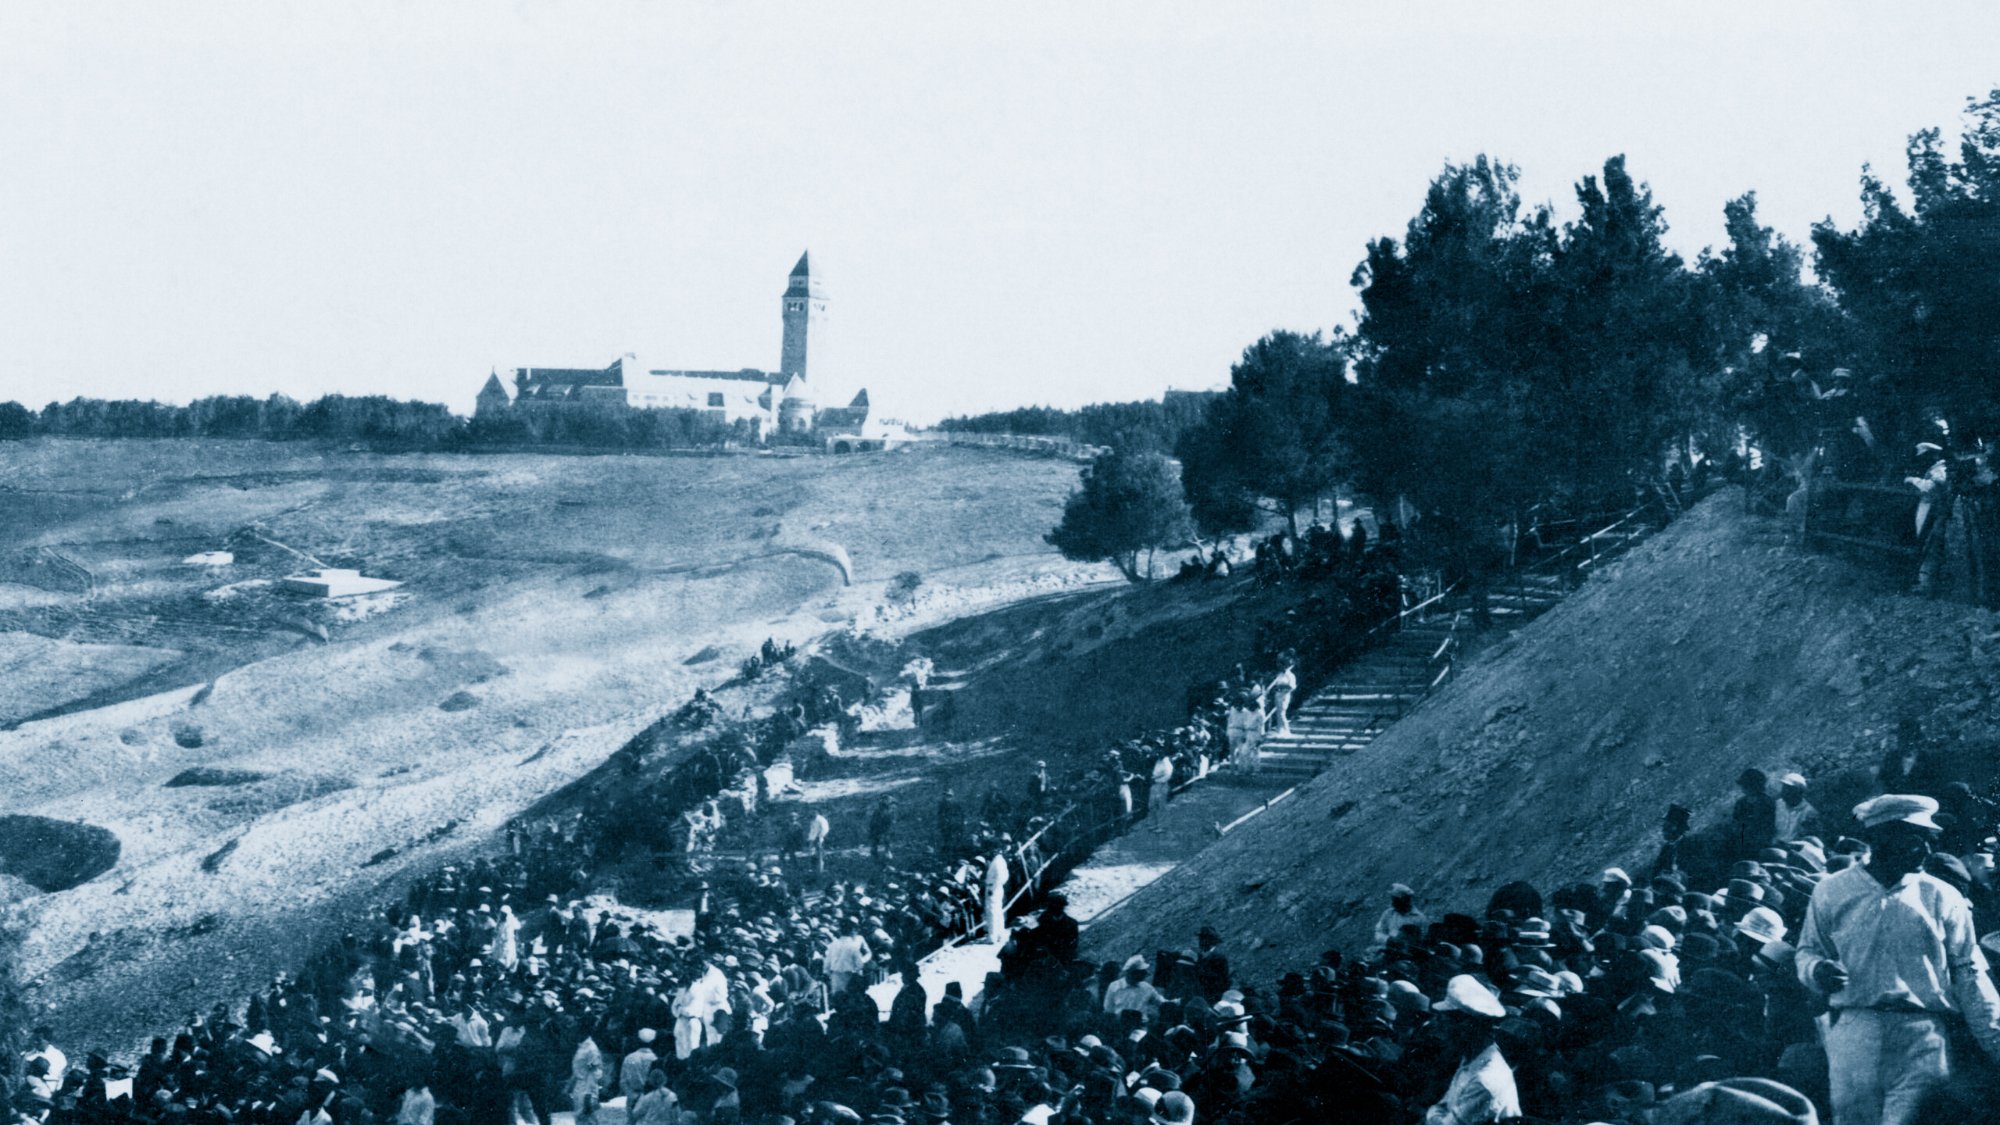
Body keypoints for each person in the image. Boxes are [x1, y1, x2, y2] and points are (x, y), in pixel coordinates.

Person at [1796, 794, 2000, 1125]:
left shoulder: (1942, 896)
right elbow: (1808, 951)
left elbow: (1970, 976)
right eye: (1917, 838)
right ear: (1881, 837)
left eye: (1930, 840)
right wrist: (1817, 970)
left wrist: (1996, 1041)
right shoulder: (1831, 891)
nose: (1927, 850)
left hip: (1924, 1035)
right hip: (1854, 1030)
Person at [1424, 975, 1520, 1125]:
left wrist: (1432, 1115)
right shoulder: (1473, 1059)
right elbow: (1443, 1107)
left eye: (1445, 1022)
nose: (1440, 1028)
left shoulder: (1485, 1079)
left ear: (1466, 1026)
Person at [1372, 884, 1428, 953]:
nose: (1392, 903)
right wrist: (1388, 940)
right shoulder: (1388, 913)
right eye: (1393, 900)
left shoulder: (1419, 918)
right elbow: (1378, 933)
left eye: (1396, 900)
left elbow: (1423, 940)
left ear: (1405, 900)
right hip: (1388, 951)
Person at [1773, 773, 1815, 842]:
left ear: (1798, 791)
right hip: (1773, 846)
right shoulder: (1777, 805)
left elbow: (1807, 836)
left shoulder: (1809, 812)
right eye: (1784, 787)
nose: (1784, 791)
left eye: (1789, 789)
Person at [1265, 655, 1298, 737]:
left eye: (1281, 665)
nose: (1279, 667)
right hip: (1278, 694)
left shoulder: (1290, 675)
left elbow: (1292, 686)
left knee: (1282, 713)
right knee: (1278, 713)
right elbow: (1275, 684)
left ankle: (1287, 731)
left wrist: (1281, 687)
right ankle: (1280, 730)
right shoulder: (1280, 674)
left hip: (1284, 695)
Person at [984, 849, 1010, 945]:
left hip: (993, 888)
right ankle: (999, 934)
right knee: (998, 911)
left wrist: (993, 887)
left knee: (992, 912)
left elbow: (1000, 877)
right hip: (996, 887)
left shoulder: (997, 861)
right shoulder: (1000, 861)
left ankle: (992, 937)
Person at [806, 810, 831, 876]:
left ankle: (820, 871)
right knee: (812, 854)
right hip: (813, 840)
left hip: (819, 839)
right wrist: (810, 839)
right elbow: (812, 830)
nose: (811, 814)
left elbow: (825, 829)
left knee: (820, 855)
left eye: (813, 813)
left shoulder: (821, 820)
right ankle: (813, 870)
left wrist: (819, 837)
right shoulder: (812, 820)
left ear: (816, 812)